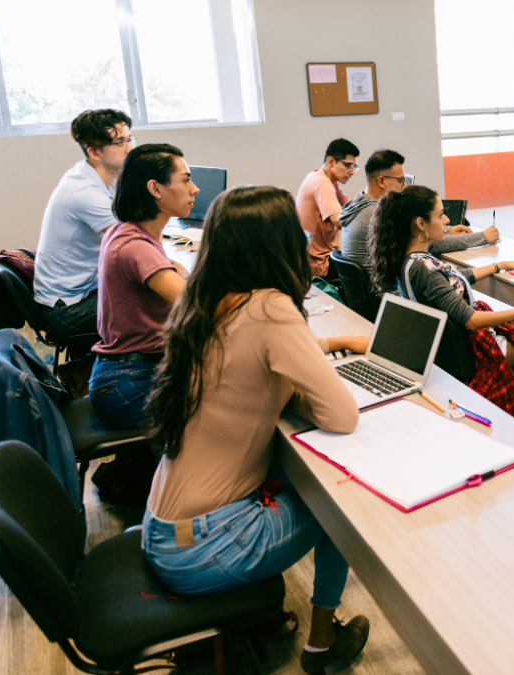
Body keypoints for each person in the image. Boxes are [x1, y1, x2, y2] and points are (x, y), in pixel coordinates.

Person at [143, 185, 371, 674]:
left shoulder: (203, 300)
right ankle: (323, 642)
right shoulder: (270, 307)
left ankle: (269, 615)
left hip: (164, 530)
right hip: (207, 546)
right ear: (280, 244)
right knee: (344, 500)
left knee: (300, 476)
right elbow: (342, 416)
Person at [369, 186, 514, 420]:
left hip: (454, 348)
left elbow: (454, 281)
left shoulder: (412, 261)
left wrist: (499, 266)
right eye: (440, 214)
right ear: (420, 223)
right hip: (474, 352)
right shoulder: (425, 270)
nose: (447, 220)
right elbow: (471, 320)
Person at [89, 144, 193, 429]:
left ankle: (131, 469)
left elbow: (176, 271)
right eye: (185, 180)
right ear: (155, 189)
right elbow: (198, 305)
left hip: (122, 374)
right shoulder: (137, 247)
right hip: (131, 384)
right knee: (239, 403)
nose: (194, 189)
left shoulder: (127, 231)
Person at [33, 108, 134, 343]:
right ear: (95, 152)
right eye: (120, 142)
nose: (130, 148)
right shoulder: (84, 192)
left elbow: (133, 220)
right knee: (157, 306)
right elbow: (130, 245)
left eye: (130, 139)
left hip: (85, 290)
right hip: (66, 311)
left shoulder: (100, 176)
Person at [338, 148, 499, 269]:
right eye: (400, 180)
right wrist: (482, 237)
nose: (405, 186)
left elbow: (416, 234)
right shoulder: (378, 215)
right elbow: (427, 243)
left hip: (373, 298)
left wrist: (447, 230)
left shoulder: (357, 204)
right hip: (390, 297)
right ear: (381, 181)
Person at [296, 138, 359, 278]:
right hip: (317, 264)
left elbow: (351, 207)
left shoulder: (325, 179)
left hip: (316, 258)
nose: (352, 172)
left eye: (354, 167)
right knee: (367, 269)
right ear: (331, 161)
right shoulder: (322, 183)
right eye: (348, 165)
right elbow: (339, 221)